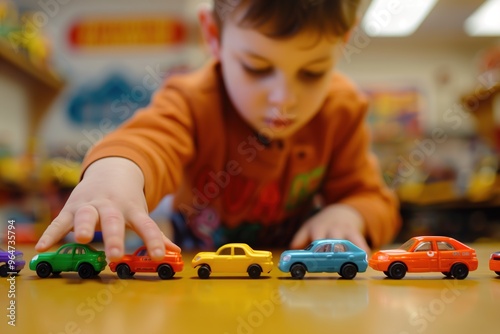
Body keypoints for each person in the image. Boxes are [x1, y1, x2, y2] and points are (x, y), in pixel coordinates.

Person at [35, 0, 401, 261]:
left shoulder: (342, 110)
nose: (284, 99)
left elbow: (374, 200)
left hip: (288, 280)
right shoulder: (193, 99)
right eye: (257, 67)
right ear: (213, 36)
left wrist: (352, 213)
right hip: (196, 273)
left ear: (344, 44)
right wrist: (113, 173)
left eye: (313, 72)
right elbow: (147, 141)